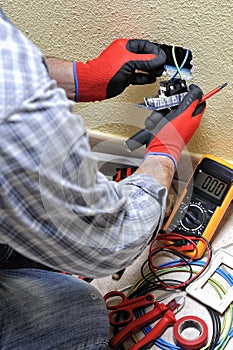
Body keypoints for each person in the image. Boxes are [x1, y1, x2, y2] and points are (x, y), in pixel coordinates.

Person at [0, 7, 206, 350]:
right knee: (80, 311)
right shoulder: (11, 120)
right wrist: (165, 154)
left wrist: (79, 77)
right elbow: (111, 242)